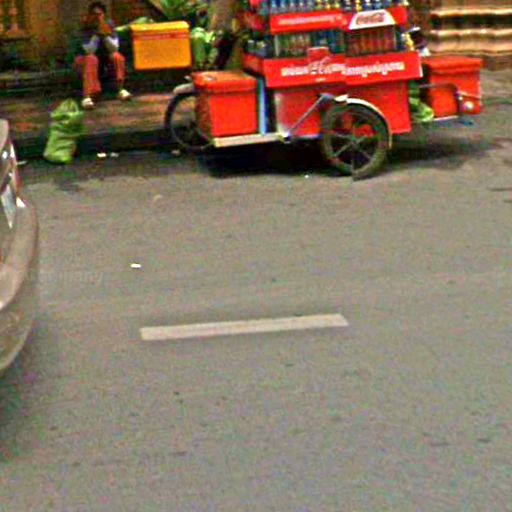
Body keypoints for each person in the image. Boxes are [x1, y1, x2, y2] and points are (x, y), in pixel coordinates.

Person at [74, 1, 131, 110]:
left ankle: (120, 89)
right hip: (84, 61)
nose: (97, 17)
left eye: (99, 14)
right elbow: (89, 50)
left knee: (117, 57)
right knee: (91, 58)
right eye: (94, 14)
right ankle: (87, 96)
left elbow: (114, 48)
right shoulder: (85, 27)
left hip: (104, 59)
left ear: (104, 15)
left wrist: (105, 36)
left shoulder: (109, 25)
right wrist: (96, 34)